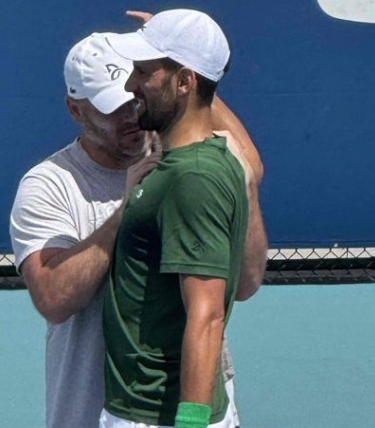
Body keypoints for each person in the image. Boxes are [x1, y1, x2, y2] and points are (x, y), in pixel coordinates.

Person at [10, 22, 265, 428]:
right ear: (76, 110)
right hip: (91, 411)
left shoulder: (187, 167)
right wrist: (127, 210)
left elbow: (242, 284)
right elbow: (54, 297)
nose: (130, 114)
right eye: (112, 108)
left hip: (188, 406)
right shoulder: (49, 184)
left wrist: (188, 59)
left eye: (136, 94)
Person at [101, 9, 256, 428]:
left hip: (159, 417)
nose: (130, 85)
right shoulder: (213, 161)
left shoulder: (192, 178)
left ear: (185, 82)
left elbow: (206, 315)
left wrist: (191, 423)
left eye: (144, 72)